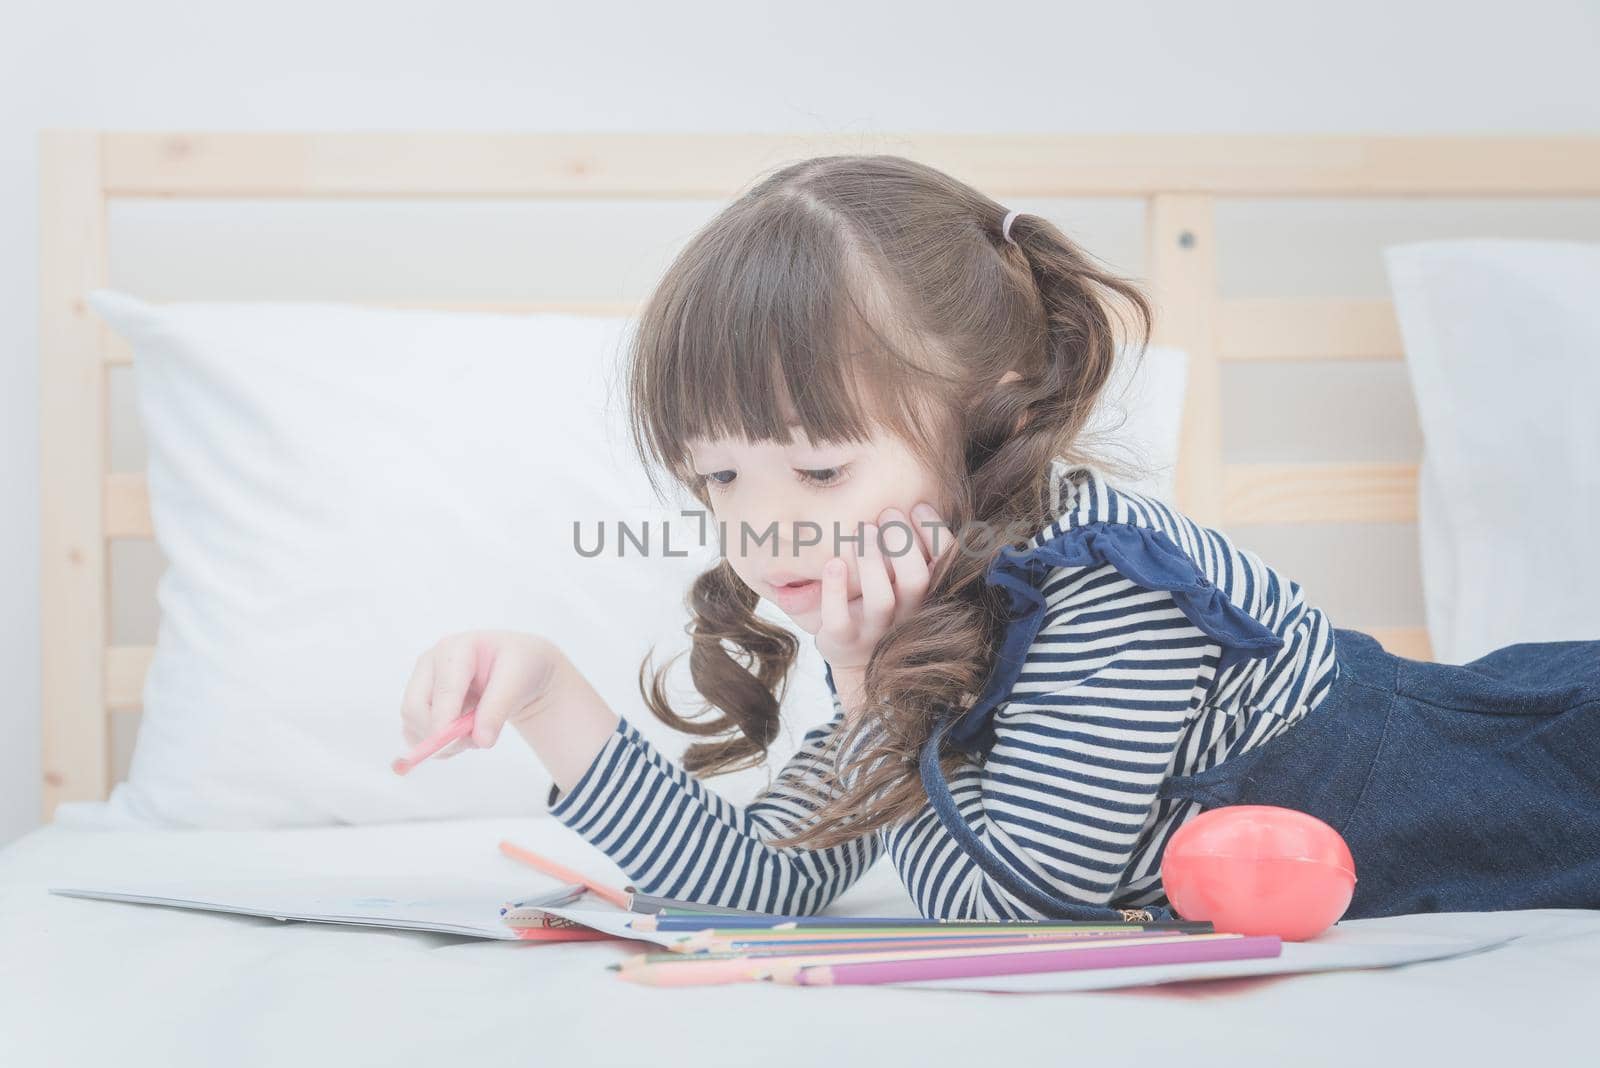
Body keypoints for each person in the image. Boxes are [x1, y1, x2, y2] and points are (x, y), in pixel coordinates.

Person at [399, 155, 1600, 922]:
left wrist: (875, 695)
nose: (768, 523)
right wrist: (550, 698)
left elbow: (1010, 904)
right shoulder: (915, 602)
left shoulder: (1106, 584)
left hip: (1542, 774)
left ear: (985, 409)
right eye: (717, 474)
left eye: (820, 464)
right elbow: (762, 882)